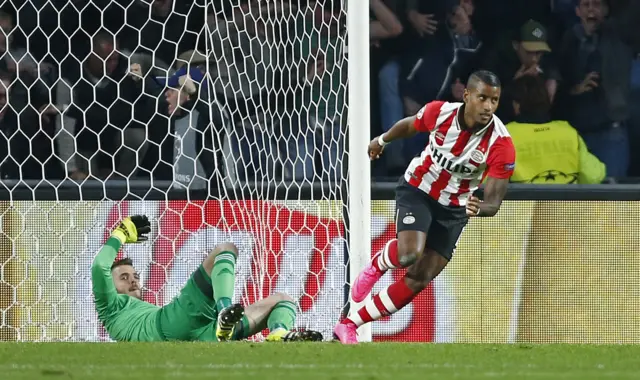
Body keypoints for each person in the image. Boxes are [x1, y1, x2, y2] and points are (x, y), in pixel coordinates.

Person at [333, 70, 516, 344]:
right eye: (483, 98)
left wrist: (481, 207)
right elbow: (410, 125)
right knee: (409, 254)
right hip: (419, 189)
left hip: (455, 209)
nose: (488, 107)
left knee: (420, 278)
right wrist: (382, 140)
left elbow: (494, 200)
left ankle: (349, 324)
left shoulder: (501, 143)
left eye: (495, 100)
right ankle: (377, 265)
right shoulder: (440, 113)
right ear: (467, 96)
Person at [92, 215, 322, 342]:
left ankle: (278, 334)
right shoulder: (109, 306)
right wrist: (120, 234)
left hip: (204, 335)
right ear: (108, 287)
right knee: (225, 249)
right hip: (170, 325)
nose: (133, 281)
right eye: (123, 277)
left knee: (283, 300)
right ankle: (224, 310)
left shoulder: (140, 311)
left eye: (135, 276)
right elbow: (99, 265)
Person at [506, 75, 606, 184]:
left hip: (524, 201)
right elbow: (593, 176)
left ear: (516, 105)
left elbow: (487, 182)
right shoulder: (568, 132)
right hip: (565, 200)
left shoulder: (505, 136)